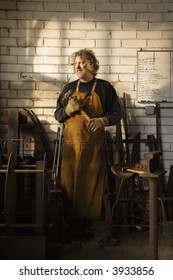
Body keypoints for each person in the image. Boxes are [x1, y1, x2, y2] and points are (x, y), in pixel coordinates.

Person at [54, 48, 122, 246]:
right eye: (75, 63)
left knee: (97, 191)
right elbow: (58, 116)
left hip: (94, 149)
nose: (77, 66)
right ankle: (74, 232)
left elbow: (118, 114)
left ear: (91, 64)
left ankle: (102, 234)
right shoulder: (68, 89)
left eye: (82, 62)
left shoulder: (104, 88)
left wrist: (103, 120)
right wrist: (67, 109)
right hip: (71, 149)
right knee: (70, 190)